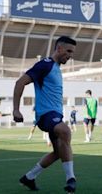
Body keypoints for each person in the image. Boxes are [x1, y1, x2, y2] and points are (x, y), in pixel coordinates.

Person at [13, 36, 77, 193]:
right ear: (59, 48)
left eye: (72, 52)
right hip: (45, 115)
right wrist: (16, 109)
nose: (70, 55)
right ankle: (71, 179)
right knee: (65, 131)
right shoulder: (45, 65)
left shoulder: (56, 68)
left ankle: (29, 177)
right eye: (68, 51)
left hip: (55, 115)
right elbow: (20, 82)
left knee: (58, 152)